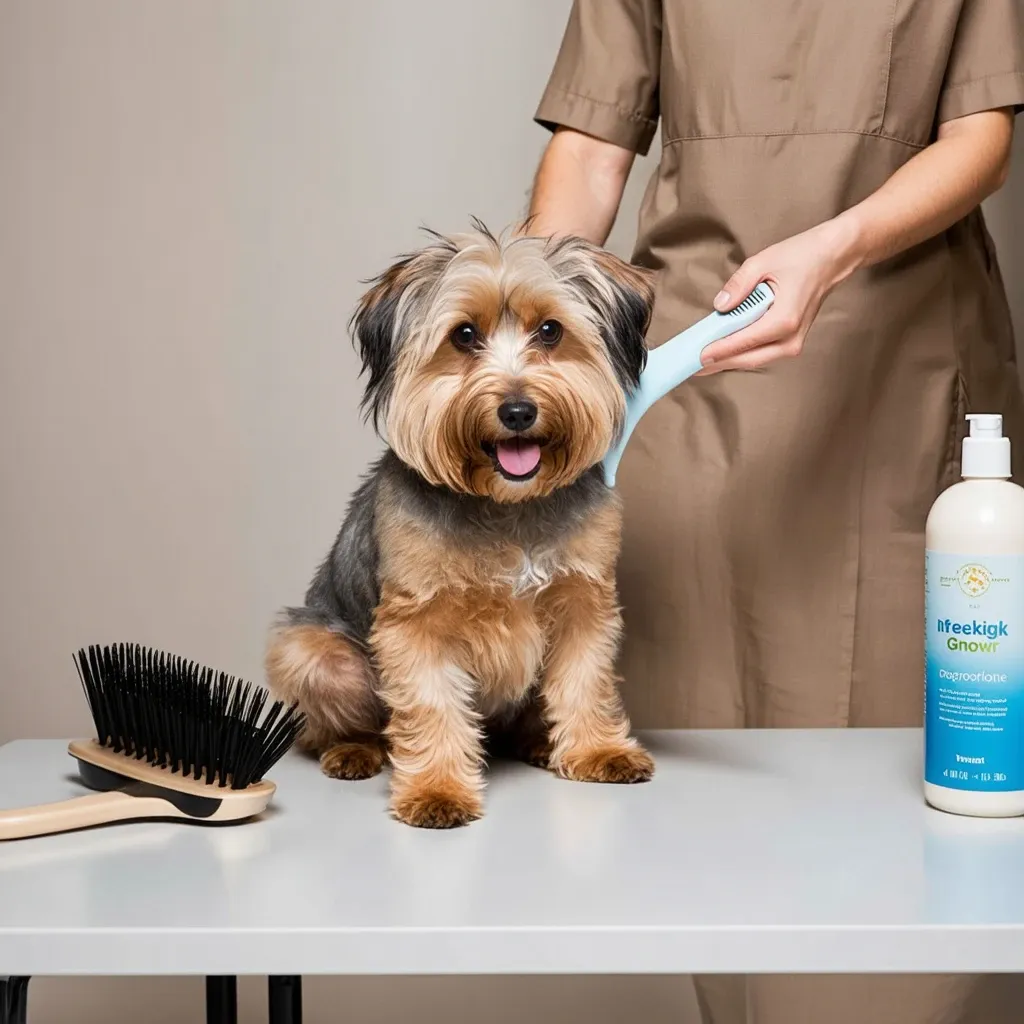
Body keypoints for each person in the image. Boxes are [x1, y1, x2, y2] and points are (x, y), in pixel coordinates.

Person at [528, 1, 1024, 1022]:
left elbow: (979, 139)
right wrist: (516, 343)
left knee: (908, 808)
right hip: (686, 380)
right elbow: (589, 151)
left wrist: (834, 247)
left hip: (896, 376)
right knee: (712, 806)